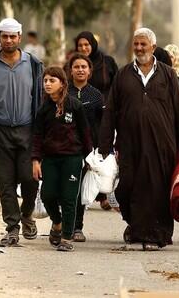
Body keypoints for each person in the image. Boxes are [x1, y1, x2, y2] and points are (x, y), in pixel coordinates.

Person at [99, 28, 179, 250]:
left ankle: (156, 235)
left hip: (162, 142)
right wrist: (104, 144)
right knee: (129, 187)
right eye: (136, 44)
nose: (139, 48)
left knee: (157, 188)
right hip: (129, 143)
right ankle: (135, 229)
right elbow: (111, 110)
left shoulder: (168, 74)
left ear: (153, 47)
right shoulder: (123, 74)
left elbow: (178, 110)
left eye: (143, 44)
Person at [0, 18, 43, 246]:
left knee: (30, 179)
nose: (9, 40)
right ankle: (12, 228)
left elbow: (41, 102)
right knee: (6, 183)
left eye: (13, 36)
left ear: (20, 38)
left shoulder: (33, 64)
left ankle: (26, 215)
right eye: (5, 36)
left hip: (28, 131)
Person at [31, 67, 92, 252]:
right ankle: (56, 223)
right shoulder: (43, 109)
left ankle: (66, 237)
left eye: (52, 80)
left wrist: (89, 159)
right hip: (49, 159)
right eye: (46, 81)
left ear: (62, 83)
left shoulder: (75, 106)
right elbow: (37, 136)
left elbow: (85, 133)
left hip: (72, 159)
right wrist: (35, 160)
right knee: (47, 195)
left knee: (69, 198)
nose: (48, 84)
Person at [67, 53, 106, 242]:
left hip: (87, 151)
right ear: (70, 70)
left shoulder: (97, 96)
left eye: (84, 67)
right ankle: (61, 224)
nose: (80, 70)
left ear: (90, 71)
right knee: (63, 189)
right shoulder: (63, 93)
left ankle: (76, 228)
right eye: (77, 67)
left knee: (79, 190)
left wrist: (100, 149)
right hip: (63, 148)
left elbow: (102, 124)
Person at [73, 31, 118, 100]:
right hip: (80, 107)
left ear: (92, 44)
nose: (83, 48)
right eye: (80, 45)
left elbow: (117, 86)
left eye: (86, 44)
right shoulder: (71, 65)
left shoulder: (107, 62)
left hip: (105, 107)